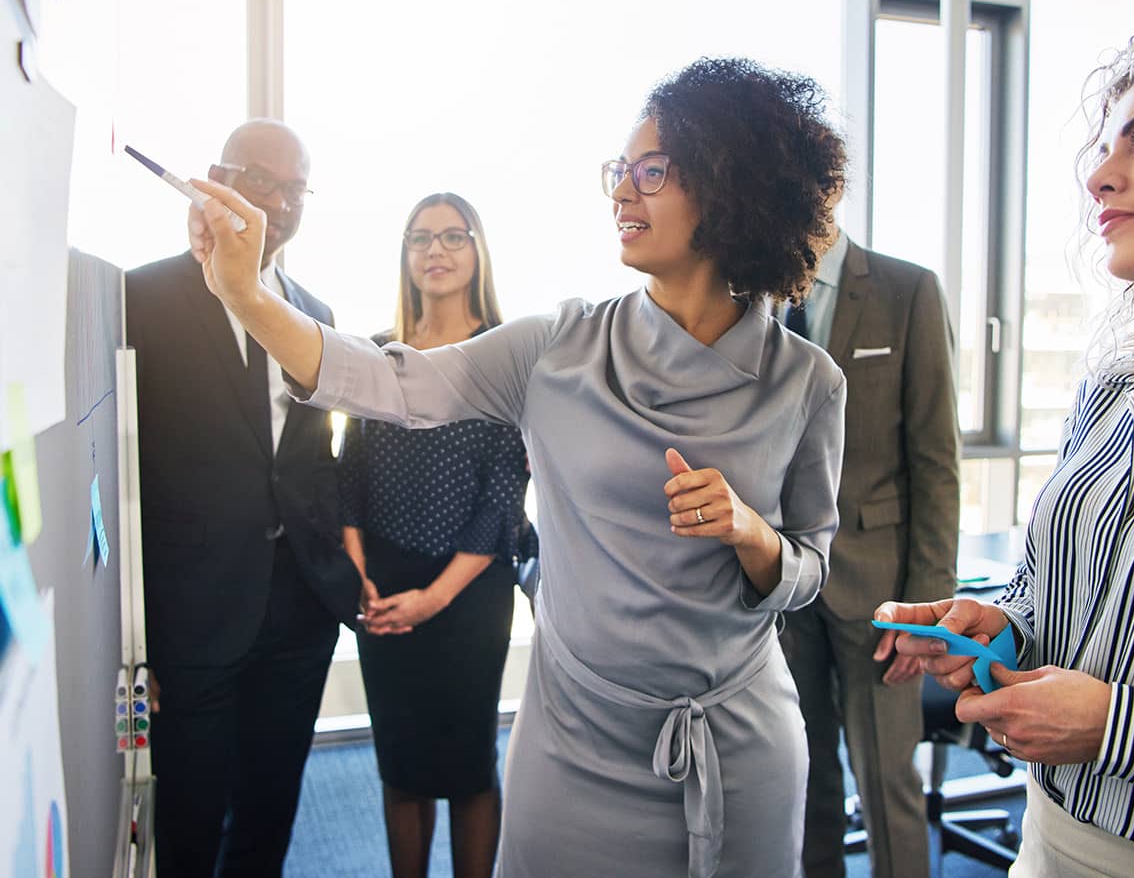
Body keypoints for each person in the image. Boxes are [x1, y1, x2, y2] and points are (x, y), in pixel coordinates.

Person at [185, 56, 848, 878]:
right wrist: (248, 297)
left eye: (650, 172)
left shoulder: (809, 382)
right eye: (620, 171)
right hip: (577, 743)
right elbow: (387, 380)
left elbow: (810, 569)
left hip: (738, 746)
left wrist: (753, 534)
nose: (621, 193)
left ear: (729, 186)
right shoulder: (556, 347)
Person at [877, 29, 1134, 875]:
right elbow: (1058, 599)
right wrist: (1005, 631)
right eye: (1104, 146)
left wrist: (1115, 728)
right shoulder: (1116, 387)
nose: (1099, 175)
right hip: (1045, 838)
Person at [125, 119, 360, 878]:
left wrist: (341, 568)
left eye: (296, 189)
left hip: (298, 605)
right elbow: (127, 477)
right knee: (190, 816)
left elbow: (310, 460)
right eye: (262, 179)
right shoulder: (142, 297)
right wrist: (137, 637)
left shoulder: (315, 313)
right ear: (215, 177)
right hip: (193, 614)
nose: (280, 202)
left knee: (270, 806)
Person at [339, 192, 531, 878]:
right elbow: (350, 473)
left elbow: (504, 498)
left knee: (469, 765)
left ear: (478, 251)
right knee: (401, 762)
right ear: (405, 254)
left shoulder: (505, 353)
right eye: (420, 238)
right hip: (382, 586)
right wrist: (356, 575)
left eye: (454, 236)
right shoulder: (378, 350)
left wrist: (434, 599)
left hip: (470, 589)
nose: (436, 251)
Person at [777, 193, 960, 878]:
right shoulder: (752, 295)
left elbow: (936, 463)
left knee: (887, 784)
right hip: (781, 585)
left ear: (826, 187)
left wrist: (929, 612)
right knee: (802, 778)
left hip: (880, 590)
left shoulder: (906, 290)